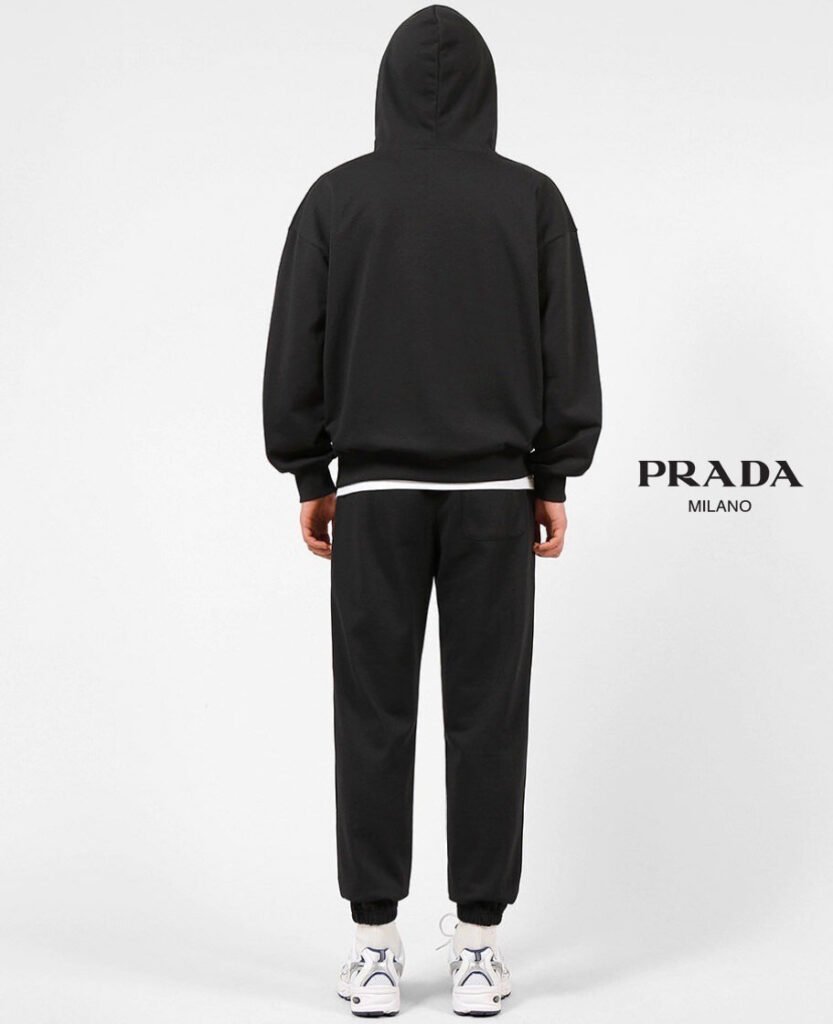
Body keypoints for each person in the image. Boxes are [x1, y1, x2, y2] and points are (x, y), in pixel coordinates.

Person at [263, 5, 602, 1016]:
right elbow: (566, 346)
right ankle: (479, 949)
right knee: (487, 716)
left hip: (372, 498)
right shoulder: (530, 199)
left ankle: (374, 949)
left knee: (372, 714)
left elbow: (295, 340)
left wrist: (309, 475)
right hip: (495, 497)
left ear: (384, 88)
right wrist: (553, 477)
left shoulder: (336, 198)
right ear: (487, 91)